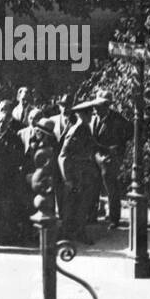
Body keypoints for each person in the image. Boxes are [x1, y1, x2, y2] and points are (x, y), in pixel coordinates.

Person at [57, 100, 100, 244]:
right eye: (89, 113)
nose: (91, 115)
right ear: (82, 114)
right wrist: (67, 178)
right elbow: (63, 155)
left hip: (84, 173)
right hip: (75, 174)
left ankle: (79, 232)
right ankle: (67, 235)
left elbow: (93, 146)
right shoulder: (76, 130)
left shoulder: (85, 129)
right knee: (71, 206)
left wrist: (106, 150)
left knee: (83, 205)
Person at [91, 94, 131, 229]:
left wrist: (119, 149)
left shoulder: (117, 119)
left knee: (111, 187)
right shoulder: (94, 118)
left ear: (106, 106)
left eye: (98, 106)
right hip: (96, 155)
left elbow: (130, 131)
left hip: (110, 157)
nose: (95, 109)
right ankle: (93, 215)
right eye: (95, 106)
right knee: (93, 184)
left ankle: (114, 218)